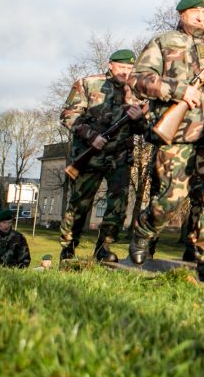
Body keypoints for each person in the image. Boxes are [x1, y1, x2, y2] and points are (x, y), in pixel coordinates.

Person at [126, 0, 204, 283]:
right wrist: (178, 90)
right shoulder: (163, 42)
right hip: (178, 134)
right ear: (182, 14)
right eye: (196, 11)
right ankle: (144, 230)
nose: (202, 17)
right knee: (171, 197)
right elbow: (138, 80)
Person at [59, 49, 149, 263]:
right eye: (122, 67)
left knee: (117, 204)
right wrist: (90, 136)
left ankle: (104, 247)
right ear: (111, 65)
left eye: (129, 68)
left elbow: (144, 129)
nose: (126, 72)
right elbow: (68, 115)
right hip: (90, 156)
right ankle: (68, 248)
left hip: (120, 157)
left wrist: (138, 119)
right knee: (80, 203)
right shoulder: (88, 83)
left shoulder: (137, 92)